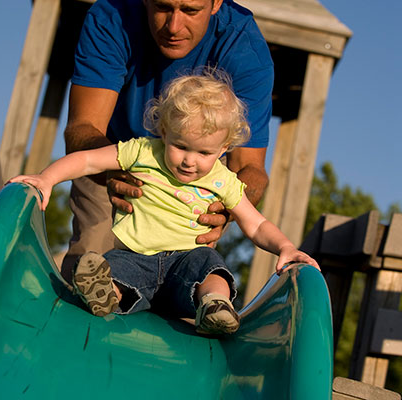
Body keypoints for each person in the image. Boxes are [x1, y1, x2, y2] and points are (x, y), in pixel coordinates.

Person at [10, 71, 320, 335]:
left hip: (186, 263)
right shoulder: (143, 152)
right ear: (163, 132)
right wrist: (47, 178)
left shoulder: (222, 180)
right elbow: (89, 160)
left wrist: (285, 247)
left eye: (204, 153)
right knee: (112, 268)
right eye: (180, 146)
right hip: (135, 256)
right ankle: (105, 296)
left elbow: (256, 223)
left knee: (212, 269)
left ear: (224, 148)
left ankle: (214, 306)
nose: (189, 161)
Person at [60, 0, 275, 284]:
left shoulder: (245, 48)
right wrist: (113, 170)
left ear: (216, 4)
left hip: (195, 173)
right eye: (162, 7)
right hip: (114, 155)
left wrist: (227, 210)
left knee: (189, 282)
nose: (173, 27)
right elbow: (82, 128)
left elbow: (250, 168)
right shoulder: (112, 17)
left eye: (190, 10)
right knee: (88, 270)